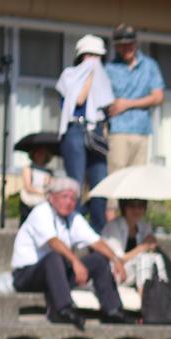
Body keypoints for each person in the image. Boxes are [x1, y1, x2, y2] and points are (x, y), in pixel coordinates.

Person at [12, 177, 128, 329]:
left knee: (99, 260)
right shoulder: (41, 212)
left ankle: (113, 309)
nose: (69, 202)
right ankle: (63, 309)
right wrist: (75, 261)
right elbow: (53, 242)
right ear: (51, 197)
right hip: (26, 275)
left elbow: (96, 242)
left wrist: (116, 259)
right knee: (54, 257)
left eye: (73, 198)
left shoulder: (73, 218)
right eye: (64, 196)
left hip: (56, 275)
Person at [56, 35, 115, 231]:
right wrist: (90, 76)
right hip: (75, 130)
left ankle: (97, 232)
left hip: (95, 132)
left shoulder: (105, 80)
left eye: (97, 56)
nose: (93, 61)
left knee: (100, 184)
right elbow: (78, 100)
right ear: (80, 57)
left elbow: (107, 108)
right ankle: (72, 228)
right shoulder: (69, 75)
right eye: (89, 55)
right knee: (76, 185)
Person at [103, 26, 165, 186]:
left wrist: (127, 103)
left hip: (141, 129)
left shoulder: (150, 66)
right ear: (115, 46)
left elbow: (158, 96)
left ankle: (134, 211)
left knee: (137, 180)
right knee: (116, 177)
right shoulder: (109, 69)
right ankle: (113, 211)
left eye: (129, 44)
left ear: (136, 44)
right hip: (117, 130)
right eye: (121, 45)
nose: (126, 48)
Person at [98, 197, 170, 290]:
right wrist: (143, 247)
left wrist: (152, 246)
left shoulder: (144, 226)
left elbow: (150, 251)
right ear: (124, 208)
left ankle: (164, 290)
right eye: (132, 206)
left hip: (136, 274)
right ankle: (145, 298)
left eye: (140, 207)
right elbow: (119, 259)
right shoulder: (113, 227)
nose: (136, 210)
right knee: (144, 259)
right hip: (116, 272)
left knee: (156, 257)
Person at [17, 141, 57, 211]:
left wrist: (48, 182)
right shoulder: (28, 169)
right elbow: (28, 187)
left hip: (44, 202)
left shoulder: (49, 172)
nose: (39, 155)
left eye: (42, 153)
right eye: (37, 153)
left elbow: (52, 187)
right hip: (29, 202)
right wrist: (42, 193)